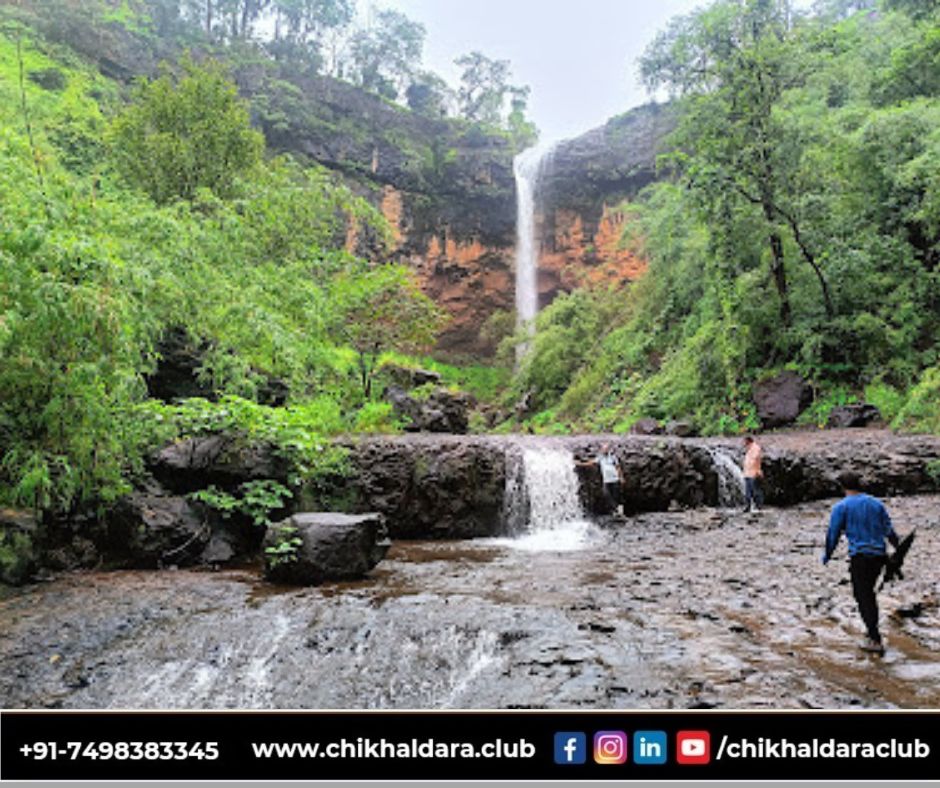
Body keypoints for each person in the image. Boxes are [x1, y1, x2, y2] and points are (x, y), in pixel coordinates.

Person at [822, 471, 900, 656]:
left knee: (863, 596)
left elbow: (833, 533)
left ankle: (874, 639)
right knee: (869, 593)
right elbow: (888, 530)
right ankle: (871, 627)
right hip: (880, 556)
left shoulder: (841, 507)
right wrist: (898, 549)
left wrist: (827, 555)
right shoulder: (876, 503)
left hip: (861, 557)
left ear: (843, 487)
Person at [578, 444, 624, 516]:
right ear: (602, 450)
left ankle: (617, 510)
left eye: (606, 449)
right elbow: (591, 463)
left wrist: (621, 477)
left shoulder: (613, 457)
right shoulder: (600, 457)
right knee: (606, 494)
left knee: (615, 495)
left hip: (615, 479)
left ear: (608, 450)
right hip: (606, 480)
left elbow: (618, 467)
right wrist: (580, 464)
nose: (604, 450)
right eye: (603, 449)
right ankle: (616, 509)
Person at [742, 436, 764, 512]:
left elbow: (757, 460)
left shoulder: (755, 448)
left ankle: (759, 507)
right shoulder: (749, 449)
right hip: (747, 473)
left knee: (756, 491)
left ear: (748, 441)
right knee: (747, 492)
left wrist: (757, 471)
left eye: (744, 441)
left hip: (753, 473)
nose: (743, 443)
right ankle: (747, 507)